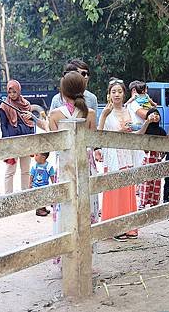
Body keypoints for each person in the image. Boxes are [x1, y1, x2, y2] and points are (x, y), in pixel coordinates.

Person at [49, 71, 100, 226]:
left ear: (62, 91)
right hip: (86, 163)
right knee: (87, 201)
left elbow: (53, 140)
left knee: (66, 202)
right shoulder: (89, 114)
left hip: (65, 164)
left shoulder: (55, 115)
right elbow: (93, 138)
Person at [98, 78, 140, 241]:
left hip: (127, 154)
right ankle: (113, 228)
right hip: (113, 156)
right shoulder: (106, 112)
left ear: (124, 94)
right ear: (109, 94)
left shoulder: (129, 110)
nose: (117, 94)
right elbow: (99, 134)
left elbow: (136, 131)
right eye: (113, 91)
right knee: (114, 191)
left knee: (128, 189)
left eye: (120, 91)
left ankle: (129, 226)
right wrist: (103, 117)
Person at [0, 80, 48, 194]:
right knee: (10, 170)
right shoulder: (4, 106)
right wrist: (8, 143)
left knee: (25, 170)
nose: (12, 94)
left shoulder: (26, 104)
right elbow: (3, 126)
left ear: (19, 91)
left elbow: (31, 123)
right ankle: (8, 196)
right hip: (12, 141)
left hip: (26, 140)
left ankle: (25, 194)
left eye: (14, 92)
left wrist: (31, 139)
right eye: (10, 92)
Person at [137, 108, 166, 210]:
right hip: (146, 157)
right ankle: (143, 202)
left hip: (157, 158)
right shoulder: (145, 129)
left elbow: (165, 146)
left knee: (156, 181)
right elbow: (139, 136)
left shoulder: (162, 131)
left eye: (157, 114)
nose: (156, 116)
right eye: (153, 114)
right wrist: (147, 122)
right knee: (145, 181)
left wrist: (162, 155)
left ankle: (154, 202)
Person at [29, 152, 56, 217]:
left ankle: (43, 208)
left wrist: (54, 184)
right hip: (35, 185)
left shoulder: (49, 167)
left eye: (36, 155)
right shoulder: (35, 166)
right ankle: (39, 210)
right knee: (38, 197)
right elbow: (31, 175)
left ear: (43, 157)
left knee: (44, 197)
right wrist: (30, 183)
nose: (34, 157)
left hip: (44, 185)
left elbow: (52, 176)